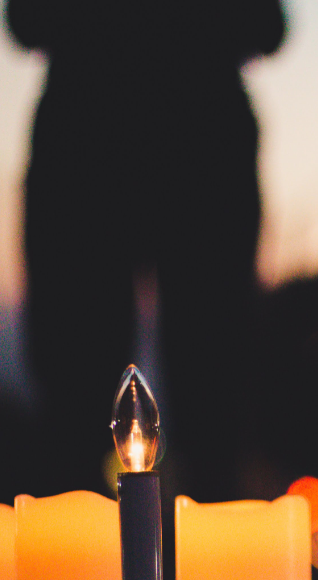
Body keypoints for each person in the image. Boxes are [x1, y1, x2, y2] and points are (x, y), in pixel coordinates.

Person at [6, 0, 285, 500]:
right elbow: (267, 28)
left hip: (94, 129)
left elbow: (26, 22)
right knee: (210, 372)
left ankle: (80, 547)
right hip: (188, 130)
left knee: (93, 377)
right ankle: (213, 544)